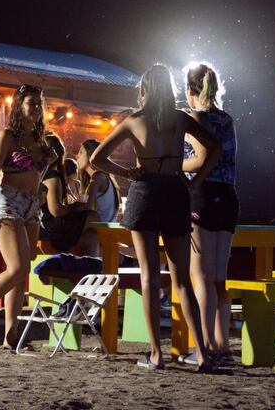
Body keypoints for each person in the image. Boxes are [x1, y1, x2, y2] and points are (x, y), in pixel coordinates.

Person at [90, 64, 222, 372]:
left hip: (145, 191)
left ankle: (156, 354)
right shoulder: (180, 118)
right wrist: (195, 182)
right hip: (175, 190)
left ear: (144, 89)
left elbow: (97, 158)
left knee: (149, 276)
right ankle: (203, 355)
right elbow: (214, 149)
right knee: (182, 280)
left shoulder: (134, 120)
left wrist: (127, 173)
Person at [0, 84, 56, 348]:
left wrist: (46, 166)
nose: (37, 108)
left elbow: (37, 175)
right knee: (17, 268)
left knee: (20, 271)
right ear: (19, 105)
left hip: (31, 205)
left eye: (39, 103)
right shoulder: (8, 136)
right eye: (31, 103)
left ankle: (11, 335)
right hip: (7, 202)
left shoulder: (40, 138)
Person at [180, 63, 239, 364]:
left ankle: (202, 346)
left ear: (189, 89)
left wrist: (174, 165)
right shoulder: (226, 118)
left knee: (200, 276)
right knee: (218, 278)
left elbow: (202, 159)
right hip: (227, 196)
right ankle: (221, 345)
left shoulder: (196, 118)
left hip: (203, 195)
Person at [38, 133, 100, 256]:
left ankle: (93, 262)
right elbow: (57, 210)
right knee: (93, 217)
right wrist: (75, 206)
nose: (77, 156)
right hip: (49, 228)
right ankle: (116, 257)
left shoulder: (38, 174)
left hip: (45, 226)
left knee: (92, 237)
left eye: (81, 152)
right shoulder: (53, 178)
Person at [76, 139, 120, 223]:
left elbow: (84, 207)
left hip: (99, 229)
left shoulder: (98, 177)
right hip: (100, 228)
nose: (76, 156)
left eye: (81, 152)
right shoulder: (100, 177)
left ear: (91, 156)